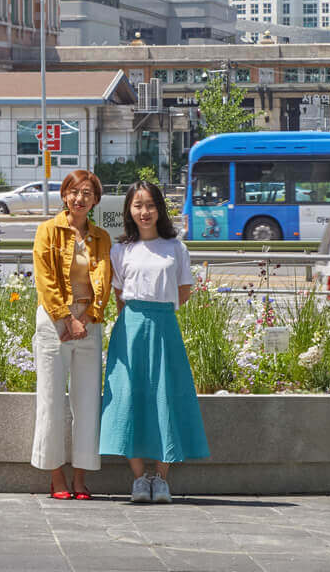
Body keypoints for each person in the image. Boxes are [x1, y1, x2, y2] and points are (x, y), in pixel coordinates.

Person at [99, 180, 210, 504]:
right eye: (138, 205)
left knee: (167, 396)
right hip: (130, 327)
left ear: (159, 208)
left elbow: (184, 291)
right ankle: (139, 479)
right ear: (129, 210)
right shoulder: (121, 250)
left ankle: (161, 478)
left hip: (164, 327)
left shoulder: (176, 247)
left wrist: (158, 310)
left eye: (150, 205)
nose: (144, 211)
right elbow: (119, 295)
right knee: (127, 397)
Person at [30, 169, 111, 500]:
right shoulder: (47, 231)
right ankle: (56, 476)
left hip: (89, 323)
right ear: (64, 195)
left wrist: (90, 316)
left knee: (88, 402)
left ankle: (80, 477)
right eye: (74, 192)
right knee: (51, 400)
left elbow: (104, 277)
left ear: (95, 200)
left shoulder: (101, 237)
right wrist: (67, 319)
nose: (80, 198)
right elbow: (45, 278)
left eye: (87, 193)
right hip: (54, 323)